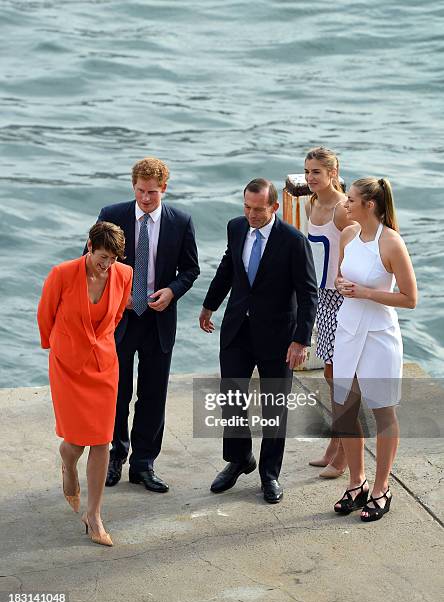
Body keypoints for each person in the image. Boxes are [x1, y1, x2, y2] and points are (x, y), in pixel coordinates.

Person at [199, 178, 318, 503]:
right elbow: (228, 267)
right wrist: (210, 304)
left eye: (258, 209)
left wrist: (300, 340)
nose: (251, 215)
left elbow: (309, 294)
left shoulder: (293, 241)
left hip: (279, 336)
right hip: (238, 329)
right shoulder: (236, 227)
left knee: (274, 408)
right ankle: (240, 459)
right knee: (232, 397)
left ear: (274, 207)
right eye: (247, 208)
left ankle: (269, 473)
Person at [93, 157, 199, 493]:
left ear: (163, 188)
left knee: (153, 395)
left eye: (152, 192)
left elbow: (190, 270)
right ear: (133, 186)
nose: (145, 198)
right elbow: (94, 263)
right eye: (140, 191)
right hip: (119, 319)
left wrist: (172, 291)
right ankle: (115, 456)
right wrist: (116, 294)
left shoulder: (180, 221)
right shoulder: (113, 214)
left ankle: (143, 465)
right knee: (117, 394)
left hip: (158, 319)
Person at [37, 222, 133, 546]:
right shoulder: (62, 274)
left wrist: (100, 344)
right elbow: (45, 315)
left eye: (113, 259)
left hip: (104, 366)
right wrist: (62, 348)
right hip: (67, 366)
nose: (107, 265)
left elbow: (118, 314)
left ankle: (94, 516)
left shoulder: (124, 274)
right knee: (76, 442)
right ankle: (68, 466)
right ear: (89, 247)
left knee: (103, 440)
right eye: (103, 257)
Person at [332, 177, 417, 521]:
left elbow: (409, 299)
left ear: (369, 205)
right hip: (348, 329)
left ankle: (382, 487)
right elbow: (341, 276)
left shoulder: (392, 243)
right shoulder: (350, 234)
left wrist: (366, 293)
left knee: (383, 411)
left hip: (379, 336)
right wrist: (340, 284)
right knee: (344, 408)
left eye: (350, 199)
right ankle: (357, 483)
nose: (345, 204)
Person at [304, 147, 355, 478]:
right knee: (329, 374)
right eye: (307, 172)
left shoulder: (341, 209)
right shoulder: (311, 203)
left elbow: (360, 246)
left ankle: (344, 455)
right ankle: (335, 445)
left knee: (341, 377)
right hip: (319, 298)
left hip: (340, 299)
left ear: (333, 174)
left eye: (316, 173)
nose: (310, 178)